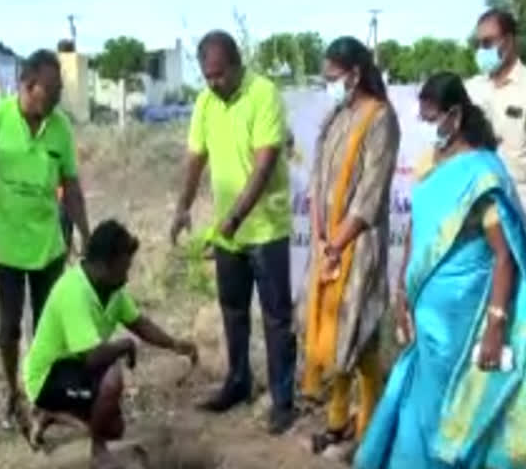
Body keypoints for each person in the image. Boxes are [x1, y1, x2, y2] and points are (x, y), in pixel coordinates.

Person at [356, 72, 526, 468]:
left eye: (433, 119)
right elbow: (419, 231)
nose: (429, 127)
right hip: (426, 318)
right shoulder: (431, 165)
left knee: (455, 410)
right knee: (419, 409)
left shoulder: (482, 173)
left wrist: (496, 327)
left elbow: (505, 255)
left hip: (463, 324)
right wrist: (403, 291)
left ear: (455, 114)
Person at [0, 49, 90, 429]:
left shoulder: (59, 127)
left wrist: (86, 233)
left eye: (61, 88)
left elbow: (71, 186)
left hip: (49, 246)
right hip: (8, 248)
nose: (60, 95)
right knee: (9, 328)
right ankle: (12, 393)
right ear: (28, 86)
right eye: (54, 88)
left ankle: (44, 397)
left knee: (49, 328)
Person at [170, 30, 297, 433]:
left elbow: (264, 164)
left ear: (238, 64)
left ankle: (282, 400)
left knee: (276, 318)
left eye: (220, 74)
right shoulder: (205, 102)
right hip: (229, 232)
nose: (213, 82)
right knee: (233, 312)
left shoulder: (263, 94)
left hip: (267, 228)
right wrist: (182, 208)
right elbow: (194, 158)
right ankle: (238, 382)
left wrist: (237, 216)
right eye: (207, 75)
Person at [22, 219, 198, 469]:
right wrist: (124, 345)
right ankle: (97, 450)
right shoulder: (74, 291)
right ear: (105, 264)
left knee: (116, 428)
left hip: (75, 370)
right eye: (124, 268)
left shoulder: (111, 289)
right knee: (112, 376)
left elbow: (140, 323)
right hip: (48, 376)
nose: (127, 277)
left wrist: (174, 344)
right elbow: (93, 357)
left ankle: (51, 414)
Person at [299, 36, 400, 458]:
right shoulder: (335, 118)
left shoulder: (381, 119)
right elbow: (318, 178)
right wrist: (322, 237)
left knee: (361, 335)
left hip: (359, 246)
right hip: (328, 247)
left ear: (355, 74)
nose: (330, 84)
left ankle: (369, 430)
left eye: (334, 77)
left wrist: (339, 242)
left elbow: (371, 194)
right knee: (331, 332)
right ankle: (338, 423)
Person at [467, 9, 526, 204]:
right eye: (479, 44)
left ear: (508, 41)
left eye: (488, 43)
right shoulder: (472, 89)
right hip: (478, 204)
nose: (482, 51)